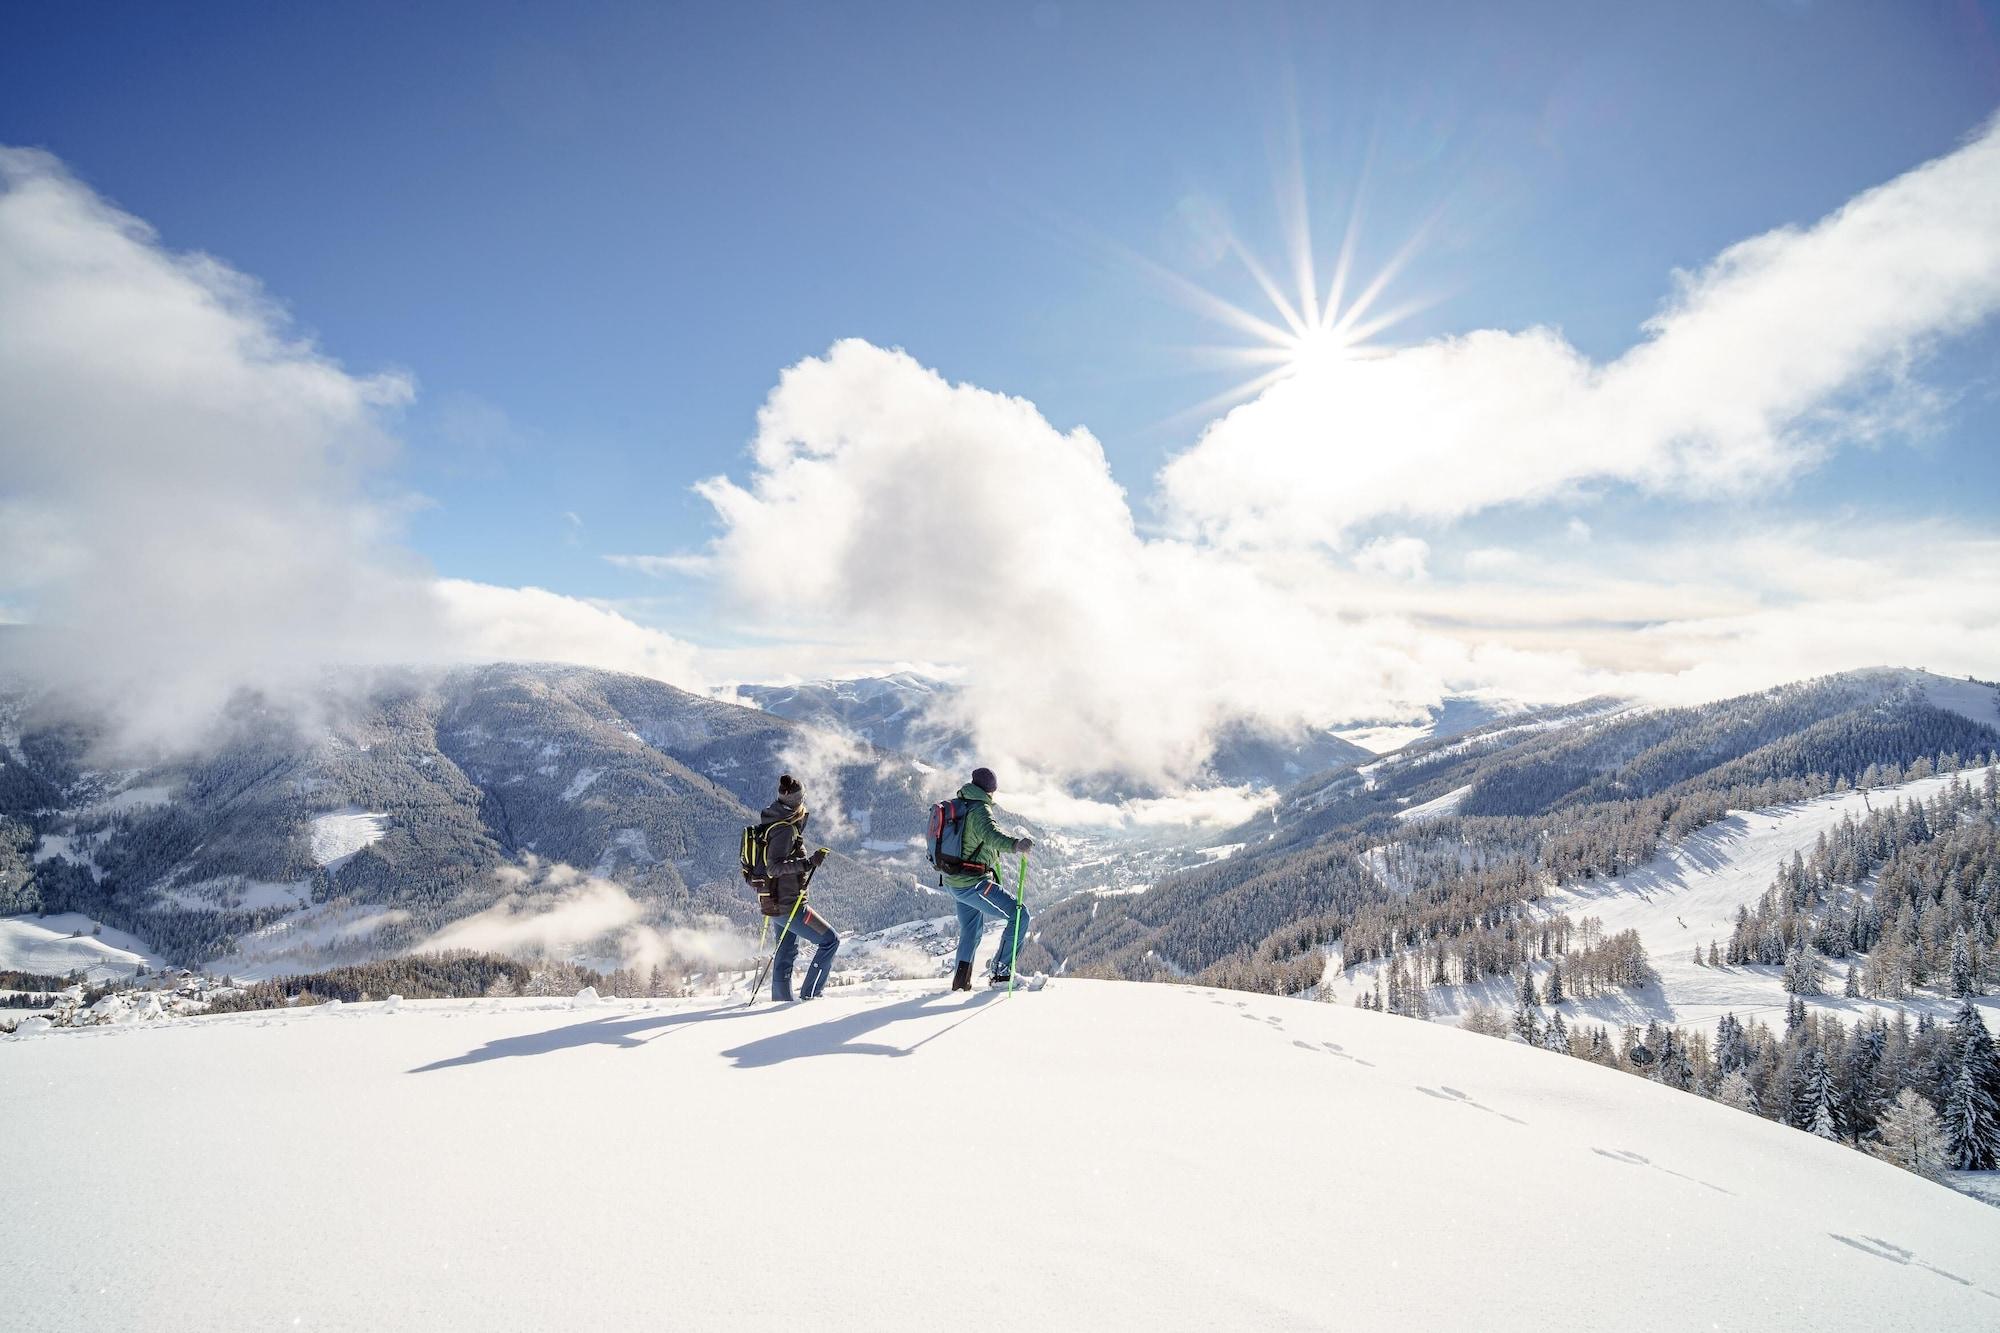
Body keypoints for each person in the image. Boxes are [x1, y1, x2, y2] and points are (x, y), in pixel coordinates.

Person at [941, 766, 1034, 991]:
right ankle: (1001, 975)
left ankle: (961, 982)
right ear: (991, 790)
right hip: (973, 884)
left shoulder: (961, 804)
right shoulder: (979, 810)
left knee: (971, 930)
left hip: (954, 882)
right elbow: (991, 835)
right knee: (1020, 915)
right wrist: (1016, 845)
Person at [760, 774, 839, 1002]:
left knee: (785, 952)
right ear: (797, 800)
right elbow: (773, 867)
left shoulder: (775, 820)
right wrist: (808, 863)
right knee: (830, 941)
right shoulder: (784, 828)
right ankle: (811, 996)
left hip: (774, 902)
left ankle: (780, 1002)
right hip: (788, 905)